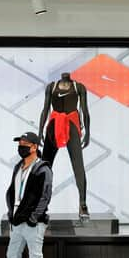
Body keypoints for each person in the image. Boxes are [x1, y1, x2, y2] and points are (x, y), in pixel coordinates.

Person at [0, 132, 52, 258]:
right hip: (16, 220)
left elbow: (45, 197)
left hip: (33, 223)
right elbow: (12, 191)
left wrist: (33, 218)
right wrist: (11, 214)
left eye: (25, 144)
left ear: (34, 147)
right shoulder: (18, 167)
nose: (21, 146)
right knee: (12, 255)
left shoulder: (43, 169)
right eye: (19, 143)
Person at [38, 72, 90, 221]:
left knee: (78, 166)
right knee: (45, 167)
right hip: (54, 125)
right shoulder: (51, 87)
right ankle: (41, 204)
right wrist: (40, 130)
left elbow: (85, 111)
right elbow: (45, 109)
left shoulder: (78, 87)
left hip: (72, 125)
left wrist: (87, 133)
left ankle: (83, 204)